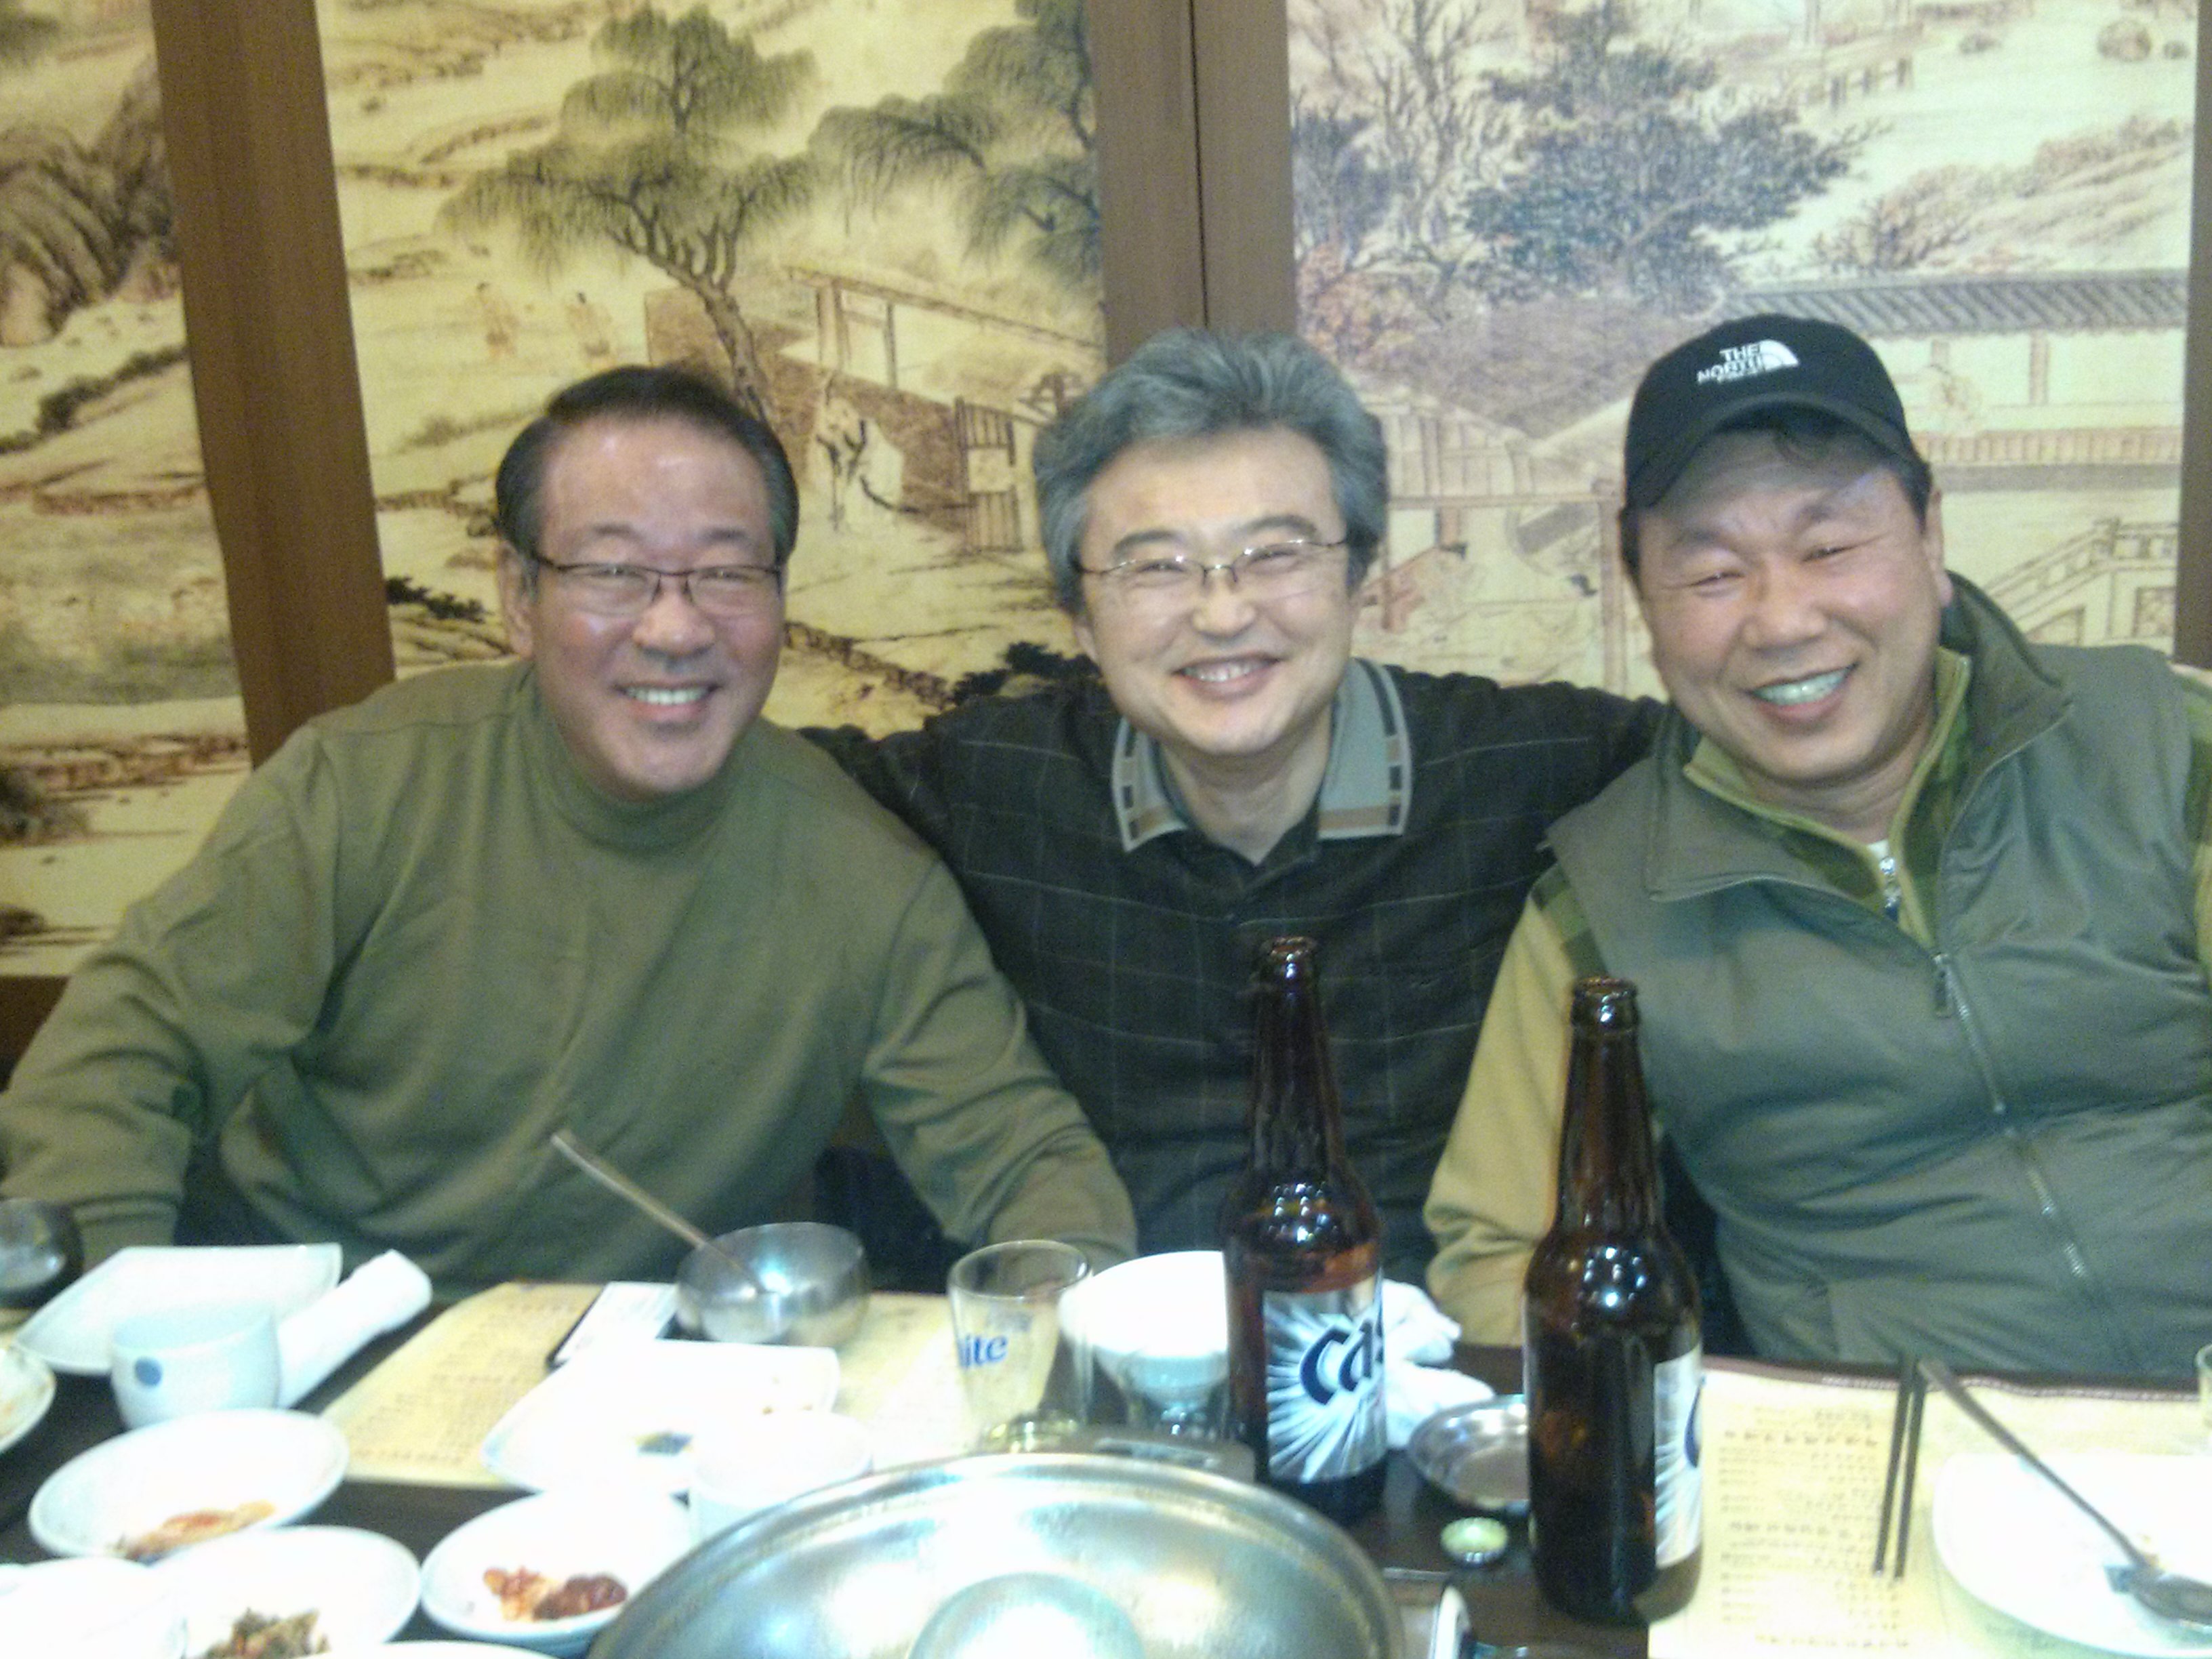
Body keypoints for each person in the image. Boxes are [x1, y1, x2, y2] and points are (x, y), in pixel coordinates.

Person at [0, 365, 1135, 1291]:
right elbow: (121, 1055)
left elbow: (1027, 1162)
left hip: (626, 1402)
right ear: (518, 595)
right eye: (613, 572)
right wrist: (117, 1333)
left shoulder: (863, 878)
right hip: (302, 1350)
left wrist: (1069, 1330)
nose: (675, 628)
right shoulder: (366, 786)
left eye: (726, 573)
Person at [1424, 314, 2212, 1378]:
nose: (1784, 620)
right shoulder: (1603, 907)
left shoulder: (2159, 742)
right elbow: (1502, 1256)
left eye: (1830, 548)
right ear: (1646, 605)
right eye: (1713, 574)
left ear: (1931, 539)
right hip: (1892, 1443)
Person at [811, 329, 1656, 1282]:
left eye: (1276, 554)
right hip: (1118, 1341)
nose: (1222, 613)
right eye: (1156, 567)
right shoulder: (997, 783)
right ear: (1080, 618)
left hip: (1437, 1348)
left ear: (1357, 576)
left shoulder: (1530, 767)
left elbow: (1747, 756)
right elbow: (744, 778)